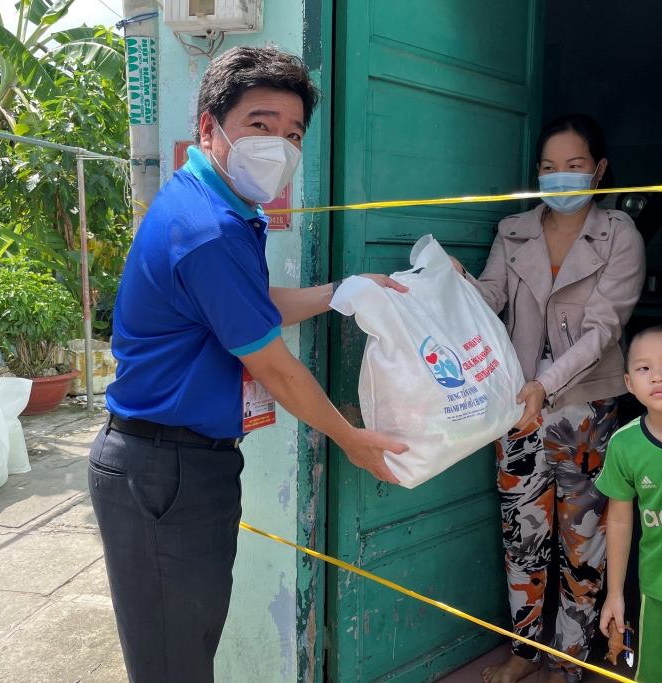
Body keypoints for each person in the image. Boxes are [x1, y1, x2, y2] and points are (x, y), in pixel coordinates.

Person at [88, 46, 409, 683]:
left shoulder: (220, 209)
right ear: (208, 126)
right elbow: (276, 368)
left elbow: (250, 306)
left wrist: (343, 291)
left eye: (293, 134)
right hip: (163, 470)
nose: (279, 146)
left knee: (186, 651)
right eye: (259, 125)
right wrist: (349, 438)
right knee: (174, 668)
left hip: (185, 465)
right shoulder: (206, 228)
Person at [451, 114, 646, 683]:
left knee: (584, 536)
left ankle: (571, 658)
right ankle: (524, 650)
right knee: (522, 532)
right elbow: (490, 297)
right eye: (549, 168)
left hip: (584, 408)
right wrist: (453, 282)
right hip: (518, 406)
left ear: (599, 170)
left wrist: (546, 384)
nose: (560, 177)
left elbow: (602, 330)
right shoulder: (514, 230)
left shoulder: (619, 235)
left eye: (575, 167)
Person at [596, 325, 662, 683]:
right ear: (628, 382)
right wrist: (615, 594)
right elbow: (621, 522)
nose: (657, 376)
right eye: (643, 369)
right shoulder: (625, 446)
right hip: (659, 591)